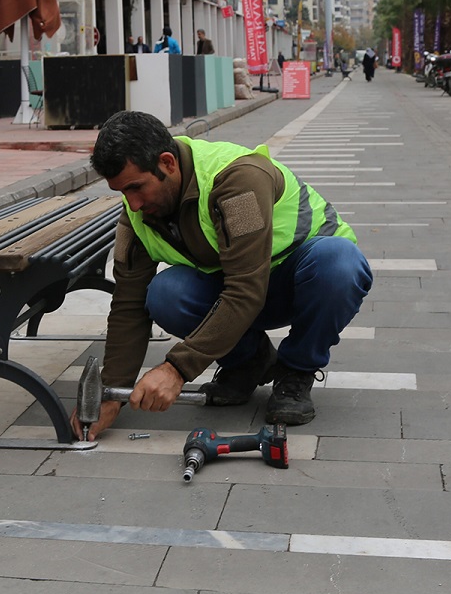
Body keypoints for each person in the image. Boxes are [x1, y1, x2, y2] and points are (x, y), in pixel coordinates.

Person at [71, 111, 373, 439]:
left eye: (136, 187)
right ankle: (247, 362)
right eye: (122, 192)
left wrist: (176, 369)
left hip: (300, 282)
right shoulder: (137, 214)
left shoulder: (237, 182)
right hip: (237, 289)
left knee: (340, 263)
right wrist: (111, 393)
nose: (133, 202)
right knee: (165, 293)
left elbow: (246, 289)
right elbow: (128, 303)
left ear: (168, 163)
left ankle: (296, 371)